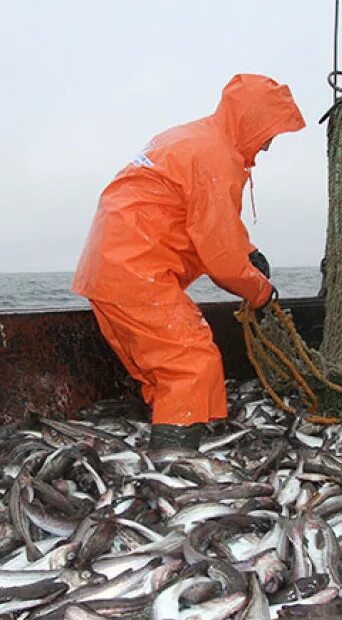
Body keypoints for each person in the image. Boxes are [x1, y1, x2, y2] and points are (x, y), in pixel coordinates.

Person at [72, 74, 306, 450]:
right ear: (253, 122)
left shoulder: (193, 139)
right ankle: (173, 458)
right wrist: (262, 294)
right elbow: (222, 258)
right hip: (137, 274)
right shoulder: (216, 157)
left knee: (160, 369)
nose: (266, 147)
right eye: (269, 136)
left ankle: (172, 436)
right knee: (191, 361)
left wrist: (249, 253)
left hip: (105, 272)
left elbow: (208, 222)